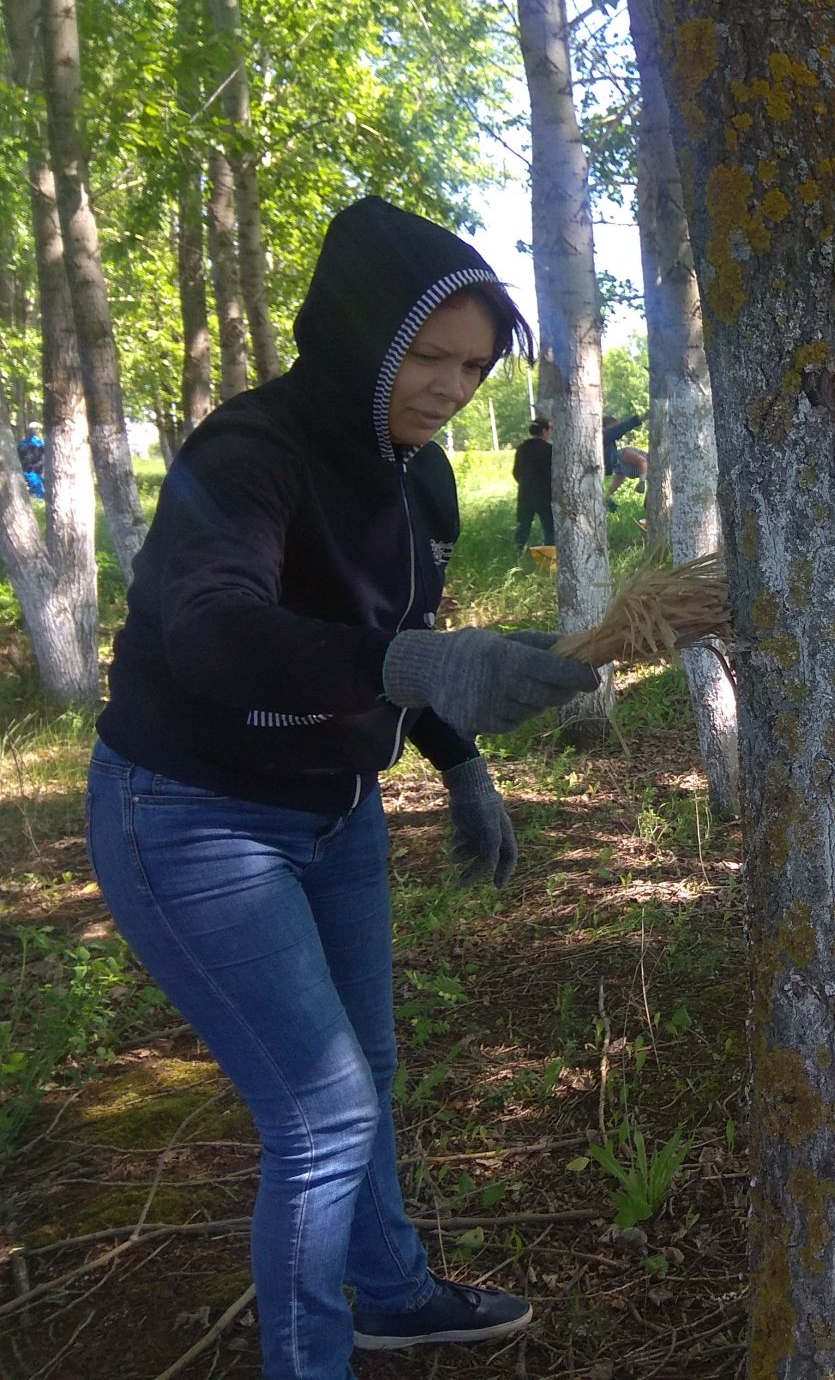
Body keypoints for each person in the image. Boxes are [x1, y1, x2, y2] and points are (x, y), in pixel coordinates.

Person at [85, 197, 601, 1379]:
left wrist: (462, 766)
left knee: (366, 1076)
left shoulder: (413, 480)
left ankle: (394, 1295)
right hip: (190, 813)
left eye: (471, 367)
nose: (448, 387)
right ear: (360, 334)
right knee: (319, 1120)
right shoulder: (250, 452)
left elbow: (398, 635)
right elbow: (212, 629)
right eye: (425, 356)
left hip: (333, 808)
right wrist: (411, 663)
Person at [512, 415, 555, 547]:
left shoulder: (522, 448)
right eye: (550, 429)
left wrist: (525, 483)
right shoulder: (549, 450)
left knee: (523, 525)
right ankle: (550, 552)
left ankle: (518, 550)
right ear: (544, 431)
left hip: (525, 492)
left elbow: (516, 472)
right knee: (549, 527)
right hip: (545, 494)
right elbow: (552, 473)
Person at [602, 413, 645, 507]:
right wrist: (607, 496)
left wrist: (642, 482)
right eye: (614, 427)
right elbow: (617, 481)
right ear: (607, 426)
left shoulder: (622, 454)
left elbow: (642, 461)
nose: (617, 430)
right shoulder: (604, 437)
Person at [16, 420, 44, 500]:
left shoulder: (22, 443)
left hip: (27, 471)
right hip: (36, 472)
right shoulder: (41, 443)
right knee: (39, 495)